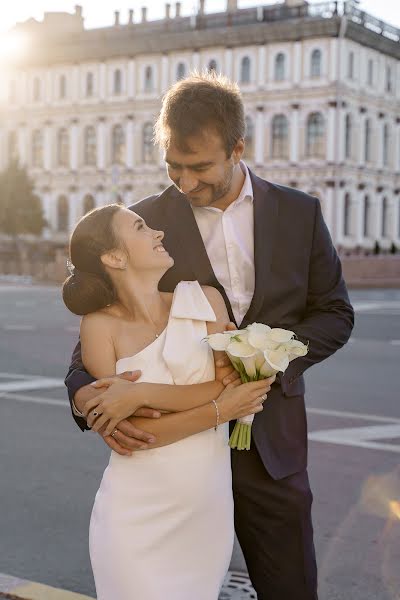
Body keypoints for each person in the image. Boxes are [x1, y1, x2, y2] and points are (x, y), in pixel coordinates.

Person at [65, 72, 354, 599]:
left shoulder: (299, 213)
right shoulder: (145, 222)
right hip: (175, 457)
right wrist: (93, 403)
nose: (185, 182)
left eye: (199, 167)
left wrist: (270, 360)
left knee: (291, 587)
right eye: (173, 166)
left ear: (237, 148)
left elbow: (334, 312)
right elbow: (91, 345)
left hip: (272, 444)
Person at [62, 203, 271, 600]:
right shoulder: (98, 327)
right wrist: (220, 410)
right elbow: (135, 432)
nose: (157, 233)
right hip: (133, 514)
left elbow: (227, 383)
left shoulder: (206, 299)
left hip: (204, 515)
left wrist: (141, 393)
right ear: (114, 257)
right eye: (141, 227)